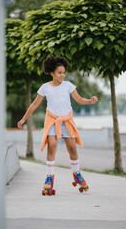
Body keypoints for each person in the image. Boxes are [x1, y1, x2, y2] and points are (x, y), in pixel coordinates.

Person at [17, 55, 98, 195]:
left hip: (67, 120)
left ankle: (77, 173)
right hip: (52, 120)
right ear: (52, 73)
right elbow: (35, 104)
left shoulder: (68, 85)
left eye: (64, 72)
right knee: (52, 145)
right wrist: (23, 119)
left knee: (72, 148)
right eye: (59, 72)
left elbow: (78, 99)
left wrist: (90, 101)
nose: (62, 75)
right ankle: (49, 178)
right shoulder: (45, 87)